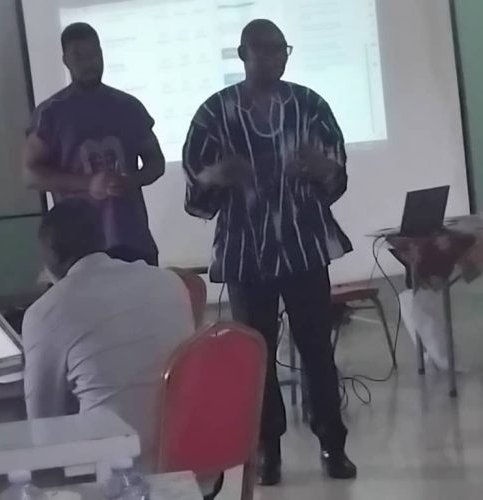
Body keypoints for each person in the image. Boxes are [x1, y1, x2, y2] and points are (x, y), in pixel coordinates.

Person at [183, 19, 356, 484]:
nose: (275, 58)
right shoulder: (214, 113)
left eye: (282, 50)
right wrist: (215, 176)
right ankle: (266, 451)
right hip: (246, 253)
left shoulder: (310, 105)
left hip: (304, 246)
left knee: (317, 350)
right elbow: (196, 194)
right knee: (254, 356)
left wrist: (324, 168)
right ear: (243, 54)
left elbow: (337, 177)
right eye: (264, 50)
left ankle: (333, 444)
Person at [22, 200, 194, 467]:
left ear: (49, 257)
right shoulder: (169, 281)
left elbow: (43, 427)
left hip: (114, 471)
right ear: (103, 240)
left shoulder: (47, 310)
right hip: (187, 459)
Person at [23, 22, 164, 265]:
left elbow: (156, 162)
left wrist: (131, 180)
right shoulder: (51, 113)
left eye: (94, 53)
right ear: (66, 60)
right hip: (77, 248)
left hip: (133, 240)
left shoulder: (129, 106)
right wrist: (88, 183)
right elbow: (30, 175)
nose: (89, 62)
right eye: (79, 56)